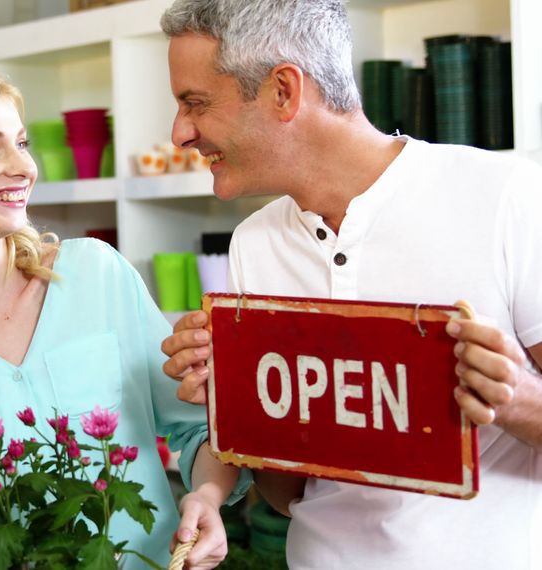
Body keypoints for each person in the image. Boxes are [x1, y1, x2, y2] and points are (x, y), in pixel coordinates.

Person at [157, 0, 542, 568]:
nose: (180, 132)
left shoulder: (506, 195)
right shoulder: (254, 242)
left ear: (284, 91)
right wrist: (239, 403)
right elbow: (288, 495)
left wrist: (517, 398)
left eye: (196, 103)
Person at [0, 62, 249, 569]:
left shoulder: (97, 275)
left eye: (22, 143)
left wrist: (205, 497)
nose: (24, 167)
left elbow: (198, 429)